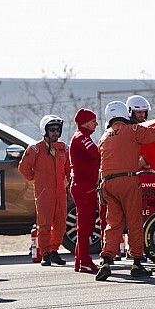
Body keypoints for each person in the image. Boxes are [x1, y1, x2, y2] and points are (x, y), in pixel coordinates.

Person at [95, 101, 155, 281]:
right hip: (128, 180)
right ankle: (137, 262)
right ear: (126, 114)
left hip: (107, 183)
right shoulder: (133, 131)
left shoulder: (104, 137)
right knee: (133, 221)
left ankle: (106, 260)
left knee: (113, 223)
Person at [18, 115, 69, 266]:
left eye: (57, 130)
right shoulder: (35, 149)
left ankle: (54, 251)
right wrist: (35, 178)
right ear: (45, 131)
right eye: (52, 130)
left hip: (60, 192)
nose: (55, 133)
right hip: (44, 192)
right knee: (44, 224)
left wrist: (68, 181)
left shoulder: (64, 148)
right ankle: (45, 253)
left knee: (61, 224)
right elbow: (23, 167)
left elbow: (69, 168)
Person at [69, 108, 101, 273]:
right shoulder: (82, 138)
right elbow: (97, 153)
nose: (96, 123)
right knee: (85, 226)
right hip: (84, 187)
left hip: (83, 186)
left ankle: (80, 261)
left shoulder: (82, 137)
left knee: (85, 226)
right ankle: (85, 261)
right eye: (93, 120)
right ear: (85, 122)